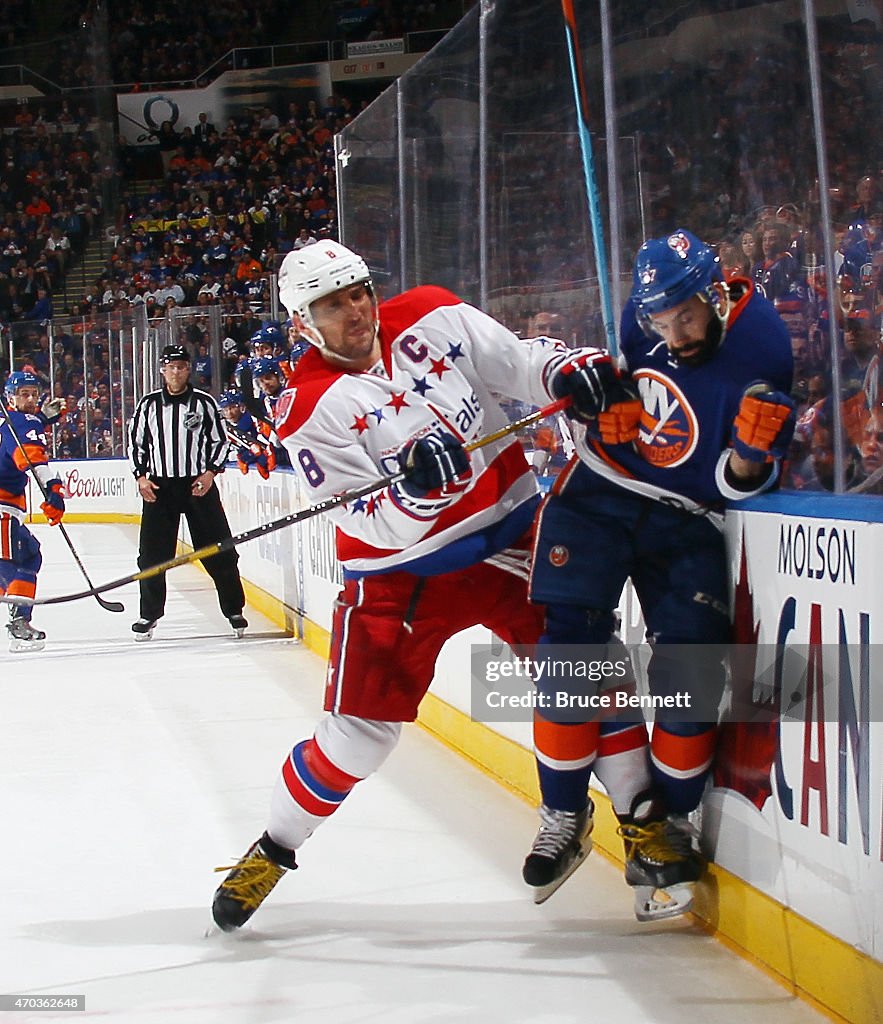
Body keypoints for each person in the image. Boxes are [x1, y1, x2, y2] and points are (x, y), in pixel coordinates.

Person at [210, 240, 597, 932]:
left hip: (505, 530)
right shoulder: (303, 406)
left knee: (582, 670)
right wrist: (417, 490)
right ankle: (274, 847)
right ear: (303, 321)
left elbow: (518, 363)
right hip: (397, 573)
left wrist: (566, 367)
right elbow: (372, 520)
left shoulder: (429, 314)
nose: (356, 309)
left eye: (358, 291)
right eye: (333, 303)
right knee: (357, 737)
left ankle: (631, 822)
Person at [525, 228, 795, 920]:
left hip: (683, 515)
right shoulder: (637, 318)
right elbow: (612, 376)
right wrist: (605, 393)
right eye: (658, 322)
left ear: (713, 292)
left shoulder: (765, 347)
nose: (671, 335)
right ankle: (562, 815)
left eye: (685, 316)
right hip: (598, 491)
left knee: (693, 671)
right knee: (568, 657)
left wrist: (747, 461)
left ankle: (663, 830)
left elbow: (735, 485)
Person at [128, 345, 247, 641]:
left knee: (220, 548)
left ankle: (234, 609)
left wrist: (210, 473)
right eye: (171, 367)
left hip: (198, 486)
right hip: (160, 488)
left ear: (189, 369)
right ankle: (149, 613)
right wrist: (141, 477)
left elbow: (220, 442)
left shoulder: (205, 404)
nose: (176, 372)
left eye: (182, 366)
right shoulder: (148, 405)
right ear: (162, 370)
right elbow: (136, 443)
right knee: (152, 556)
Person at [0, 371, 66, 652]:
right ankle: (19, 622)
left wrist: (41, 419)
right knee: (10, 566)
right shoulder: (23, 421)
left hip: (6, 509)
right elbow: (31, 458)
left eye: (34, 394)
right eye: (23, 394)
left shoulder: (12, 420)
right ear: (9, 397)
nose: (30, 399)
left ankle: (20, 617)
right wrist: (53, 489)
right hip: (2, 509)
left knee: (28, 554)